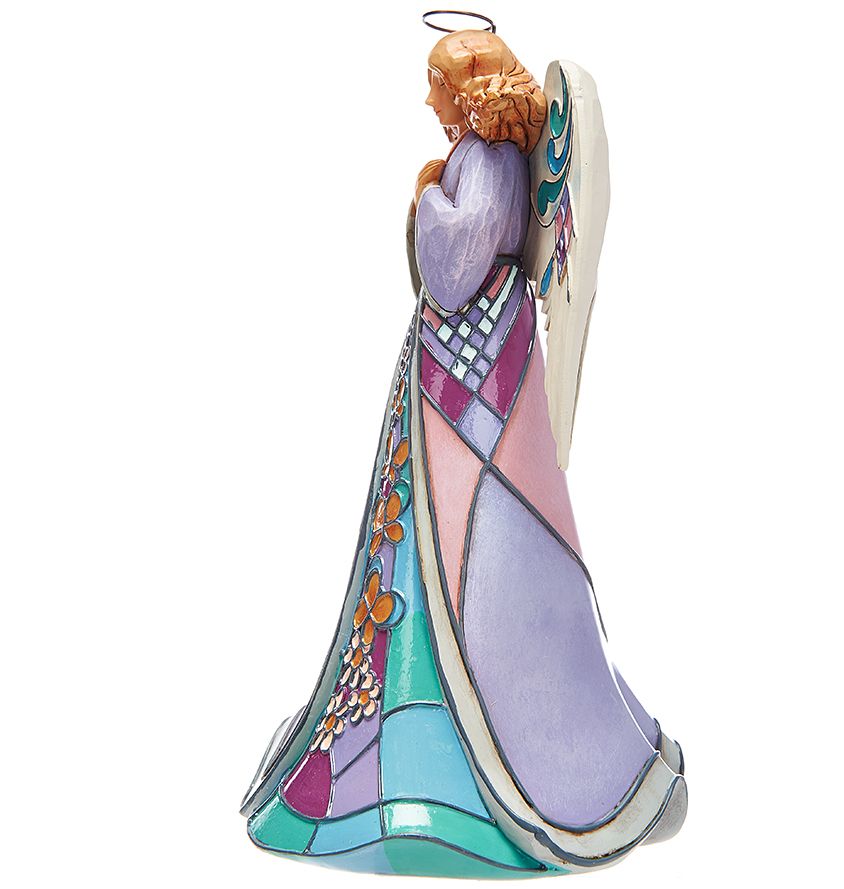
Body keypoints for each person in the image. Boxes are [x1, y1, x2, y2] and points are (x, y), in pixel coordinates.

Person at [241, 28, 686, 877]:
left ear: (472, 90)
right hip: (477, 363)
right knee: (452, 537)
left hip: (470, 378)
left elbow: (451, 269)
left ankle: (485, 762)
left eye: (439, 88)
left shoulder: (486, 163)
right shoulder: (490, 158)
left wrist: (425, 195)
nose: (430, 103)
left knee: (464, 543)